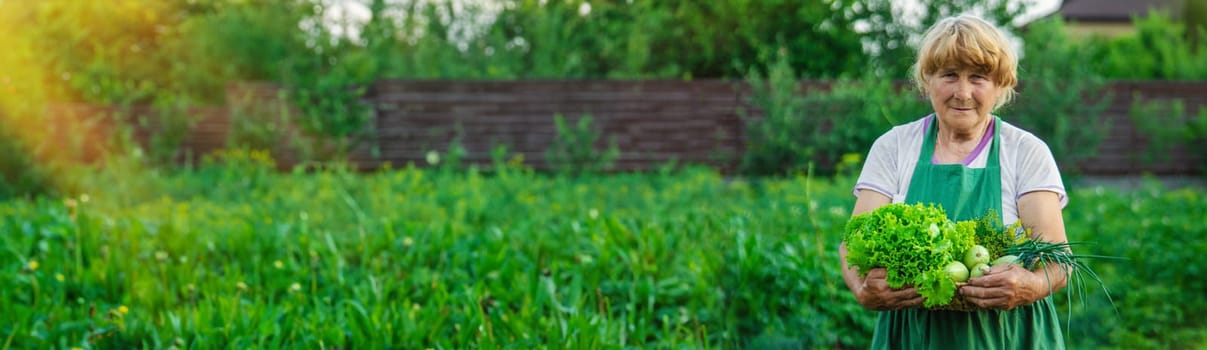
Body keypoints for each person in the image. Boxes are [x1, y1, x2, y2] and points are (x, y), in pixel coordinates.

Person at [838, 15, 1071, 349]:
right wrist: (863, 289)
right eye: (949, 75)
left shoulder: (1025, 152)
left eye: (978, 77)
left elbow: (1058, 260)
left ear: (1000, 85)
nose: (963, 92)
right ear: (927, 79)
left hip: (1008, 333)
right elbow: (852, 244)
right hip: (914, 334)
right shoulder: (894, 147)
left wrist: (1030, 285)